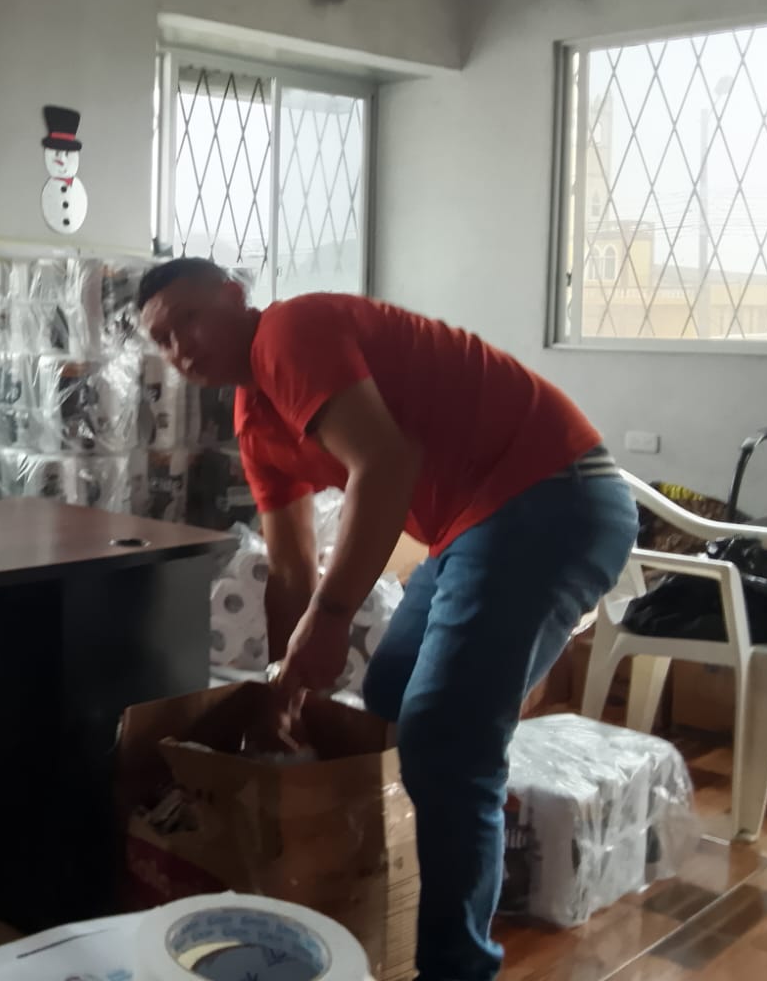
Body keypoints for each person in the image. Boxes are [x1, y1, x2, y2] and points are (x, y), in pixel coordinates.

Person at [136, 258, 637, 981]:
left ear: (236, 296)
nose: (180, 347)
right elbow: (289, 570)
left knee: (443, 737)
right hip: (473, 527)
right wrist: (284, 691)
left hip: (550, 494)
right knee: (392, 690)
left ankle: (456, 967)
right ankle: (449, 843)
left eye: (189, 319)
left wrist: (332, 616)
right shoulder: (255, 418)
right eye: (162, 340)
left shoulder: (288, 331)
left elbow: (386, 463)